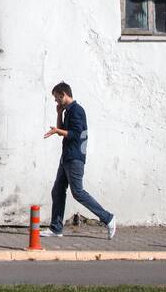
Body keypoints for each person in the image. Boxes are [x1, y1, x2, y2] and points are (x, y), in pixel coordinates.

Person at [42, 82, 116, 239]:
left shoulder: (77, 111)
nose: (56, 101)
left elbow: (76, 134)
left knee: (78, 192)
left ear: (63, 94)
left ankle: (108, 218)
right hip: (67, 157)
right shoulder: (68, 111)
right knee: (57, 191)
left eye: (56, 98)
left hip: (75, 158)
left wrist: (57, 131)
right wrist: (58, 114)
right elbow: (62, 129)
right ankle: (56, 229)